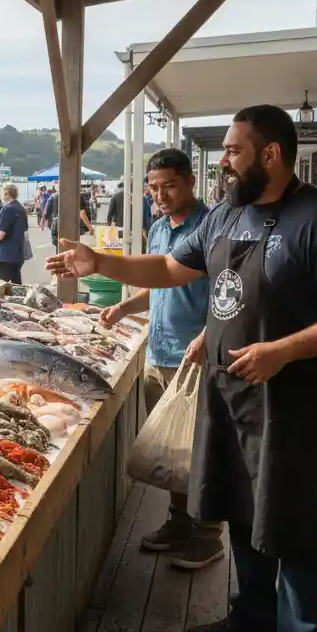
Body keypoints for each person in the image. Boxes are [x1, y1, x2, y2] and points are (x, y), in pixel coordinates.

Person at [46, 104, 317, 632]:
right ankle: (253, 621)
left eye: (233, 150)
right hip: (228, 394)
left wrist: (284, 350)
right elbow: (174, 267)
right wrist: (102, 264)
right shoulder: (227, 214)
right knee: (238, 507)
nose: (223, 161)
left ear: (271, 154)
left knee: (296, 524)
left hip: (295, 402)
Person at [101, 149, 221, 570]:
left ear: (190, 181)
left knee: (202, 450)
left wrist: (209, 335)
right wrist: (123, 309)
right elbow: (158, 282)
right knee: (173, 452)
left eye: (169, 185)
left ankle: (207, 536)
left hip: (198, 359)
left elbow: (229, 294)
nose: (161, 195)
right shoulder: (156, 229)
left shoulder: (211, 227)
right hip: (159, 352)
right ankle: (177, 523)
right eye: (153, 188)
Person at [0, 182, 28, 284]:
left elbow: (0, 234)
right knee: (17, 283)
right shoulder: (21, 208)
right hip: (18, 253)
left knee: (1, 284)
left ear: (7, 193)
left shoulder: (7, 209)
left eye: (2, 192)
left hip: (6, 254)